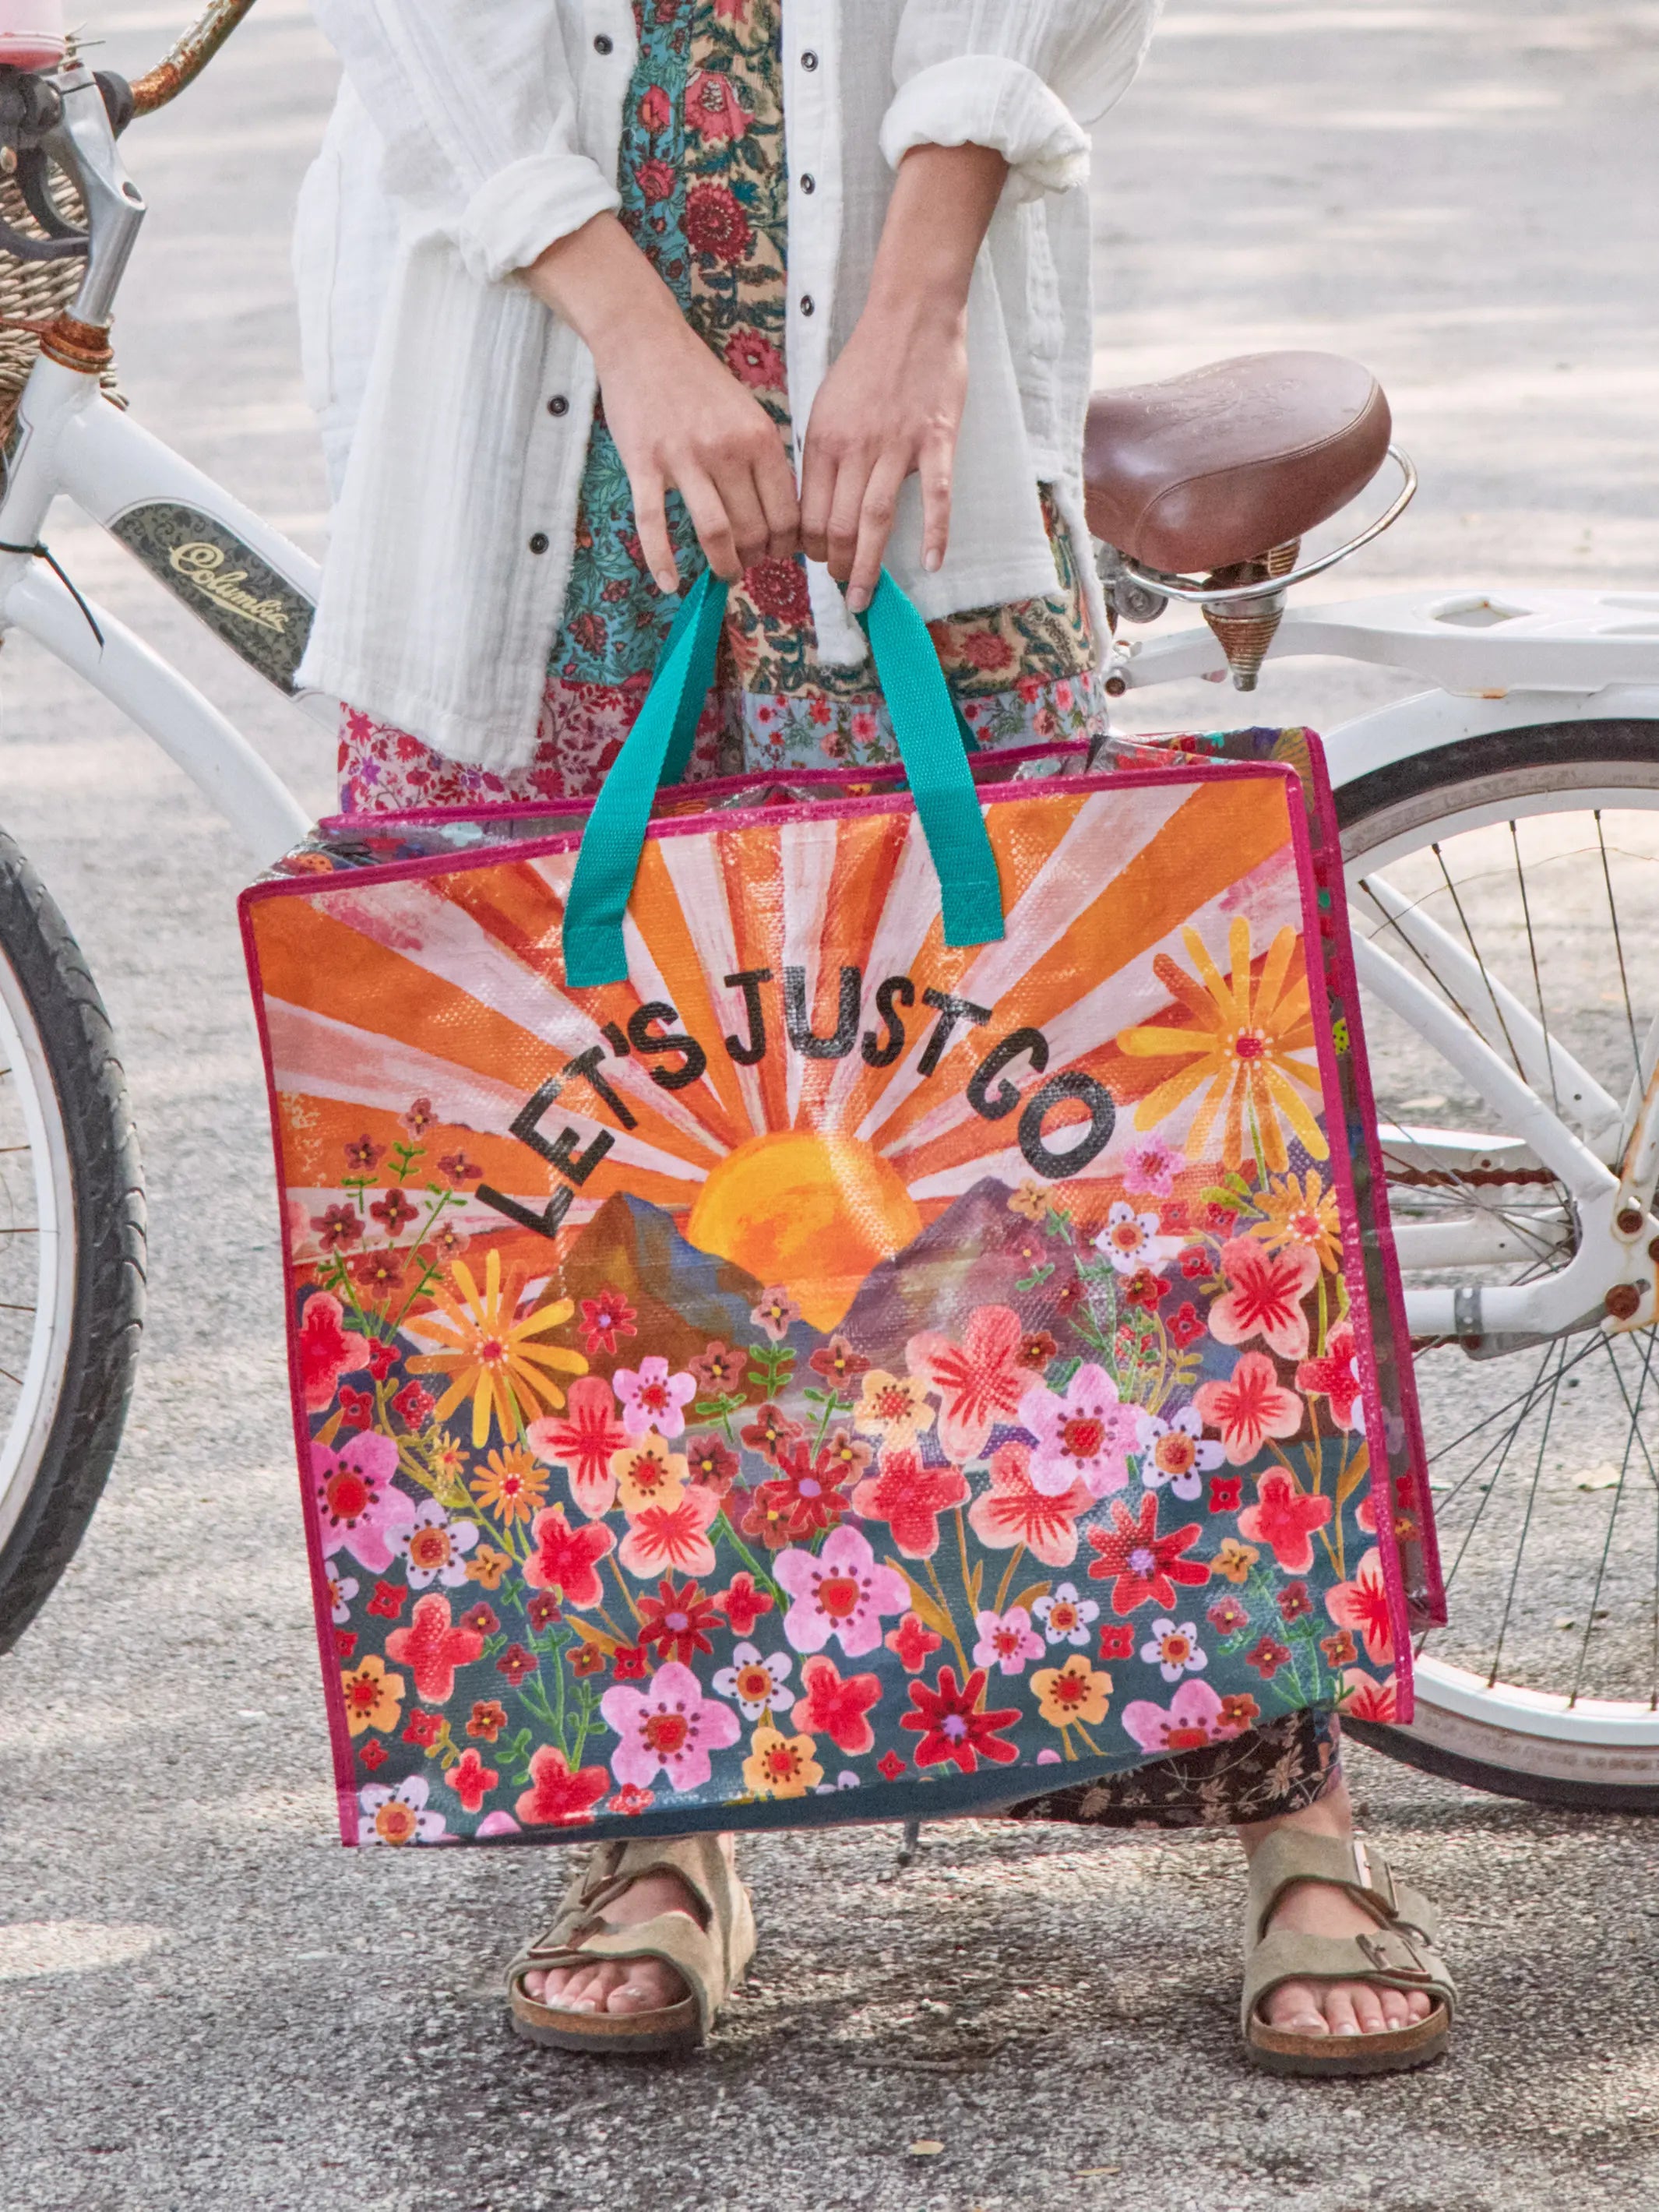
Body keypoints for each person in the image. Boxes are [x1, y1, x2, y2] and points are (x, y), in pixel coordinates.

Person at [294, 0, 1453, 2075]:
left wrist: (915, 307)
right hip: (533, 369)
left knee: (1080, 1134)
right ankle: (657, 1813)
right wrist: (637, 333)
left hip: (905, 370)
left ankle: (1297, 1810)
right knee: (582, 1170)